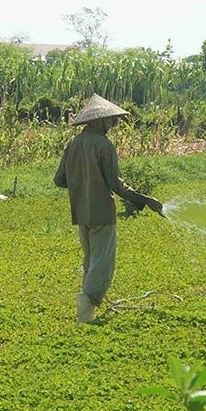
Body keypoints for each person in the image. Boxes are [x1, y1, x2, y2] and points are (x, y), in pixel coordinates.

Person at [53, 93, 163, 324]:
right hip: (102, 212)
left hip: (81, 213)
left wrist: (82, 180)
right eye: (110, 120)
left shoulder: (73, 144)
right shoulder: (104, 145)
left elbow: (59, 180)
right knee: (101, 264)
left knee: (90, 261)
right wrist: (145, 200)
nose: (113, 124)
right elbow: (116, 184)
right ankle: (86, 312)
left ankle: (86, 310)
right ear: (98, 121)